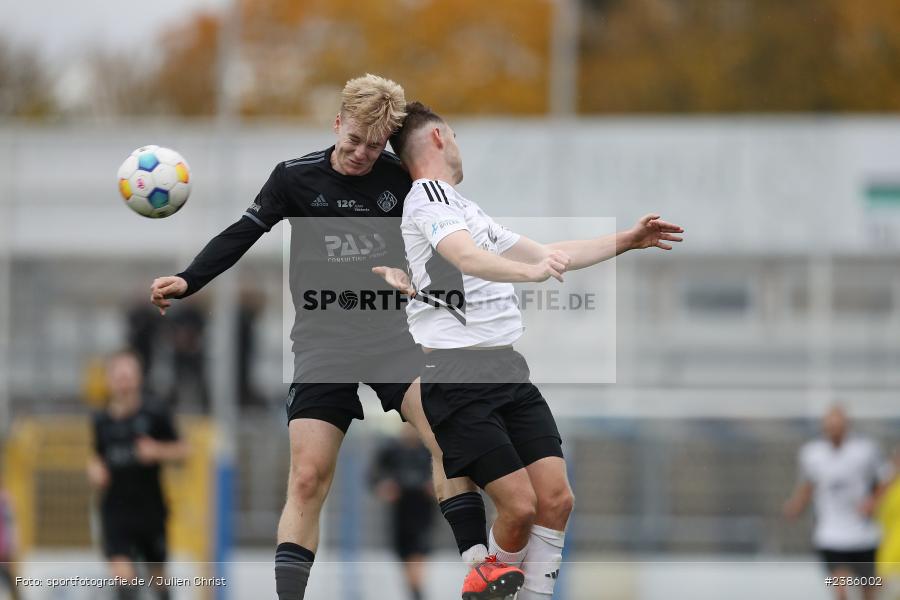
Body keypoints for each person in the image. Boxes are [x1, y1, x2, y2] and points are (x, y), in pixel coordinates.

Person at [149, 75, 491, 600]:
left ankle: (479, 570)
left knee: (450, 437)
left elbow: (450, 218)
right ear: (337, 124)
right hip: (321, 343)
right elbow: (243, 233)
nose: (360, 154)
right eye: (353, 140)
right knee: (308, 477)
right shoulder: (294, 177)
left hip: (394, 339)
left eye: (374, 146)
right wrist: (189, 279)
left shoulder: (403, 182)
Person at [379, 101, 684, 599]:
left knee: (557, 501)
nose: (458, 144)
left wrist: (627, 240)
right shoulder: (426, 202)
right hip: (459, 378)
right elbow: (466, 256)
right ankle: (480, 583)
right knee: (518, 507)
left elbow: (548, 252)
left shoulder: (464, 207)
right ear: (438, 137)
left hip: (507, 370)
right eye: (453, 134)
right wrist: (529, 273)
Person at [87, 349, 189, 600]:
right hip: (116, 511)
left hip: (150, 509)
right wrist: (95, 468)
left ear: (139, 378)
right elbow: (98, 455)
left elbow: (184, 450)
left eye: (128, 375)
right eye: (118, 375)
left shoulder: (155, 412)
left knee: (159, 582)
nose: (123, 381)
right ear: (109, 380)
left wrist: (157, 450)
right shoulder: (101, 420)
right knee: (124, 581)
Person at [784, 405, 894, 600]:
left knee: (868, 589)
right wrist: (797, 505)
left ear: (847, 425)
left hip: (863, 535)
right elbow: (808, 485)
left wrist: (872, 502)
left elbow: (884, 479)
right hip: (831, 535)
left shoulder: (865, 450)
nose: (834, 430)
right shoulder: (812, 453)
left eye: (838, 425)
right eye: (830, 425)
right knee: (839, 586)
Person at [369, 424, 436, 600]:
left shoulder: (429, 451)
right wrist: (384, 487)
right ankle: (415, 591)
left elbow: (446, 473)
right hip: (400, 511)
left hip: (423, 511)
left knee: (418, 550)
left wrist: (437, 486)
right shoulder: (391, 451)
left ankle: (417, 593)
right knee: (405, 553)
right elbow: (374, 477)